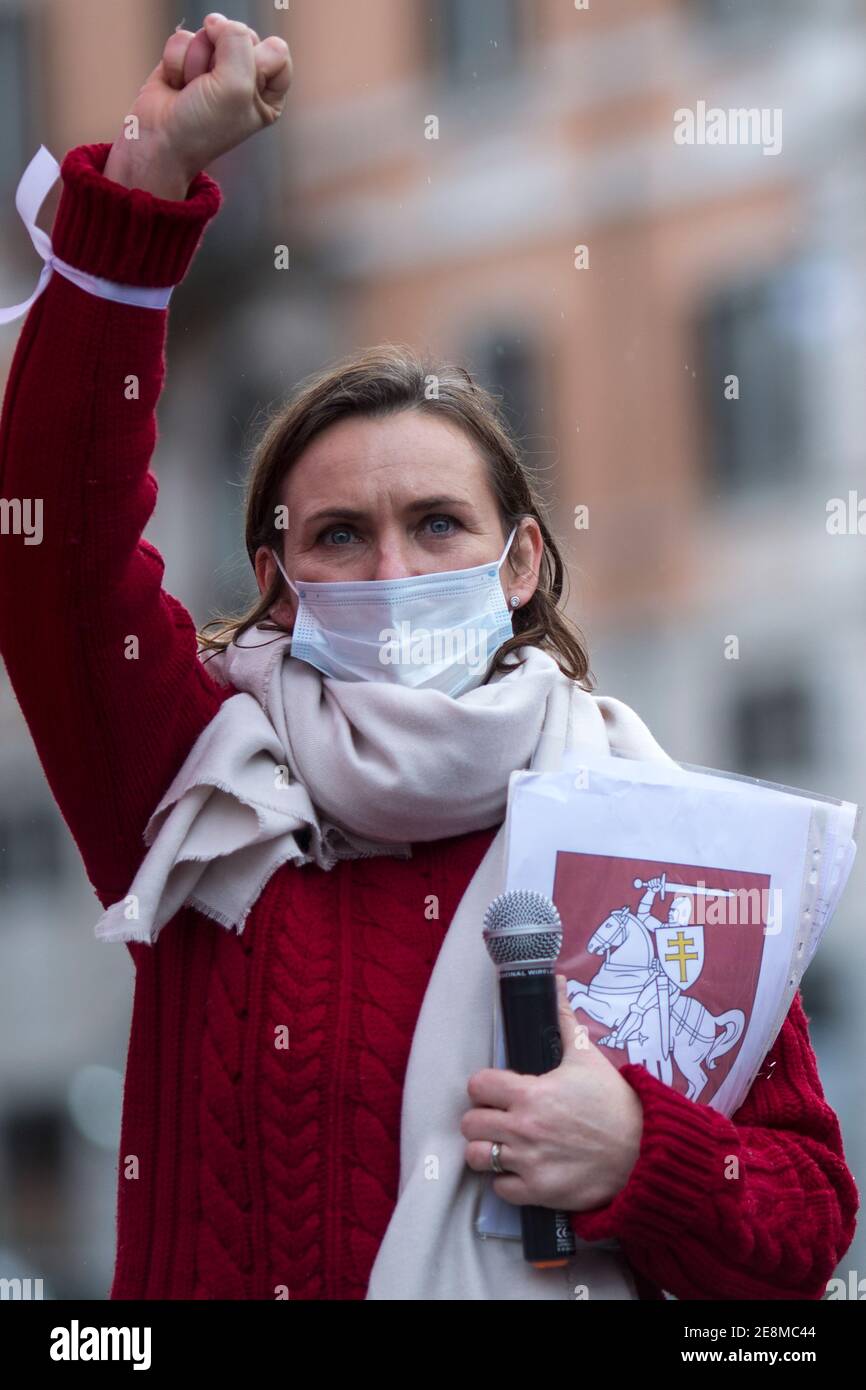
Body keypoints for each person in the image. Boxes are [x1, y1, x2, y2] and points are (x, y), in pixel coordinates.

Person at [0, 13, 858, 1301]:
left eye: (437, 524)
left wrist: (639, 1149)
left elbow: (808, 1221)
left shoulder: (658, 839)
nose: (394, 572)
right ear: (278, 579)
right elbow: (50, 541)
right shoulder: (189, 781)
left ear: (517, 563)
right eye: (342, 535)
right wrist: (148, 178)